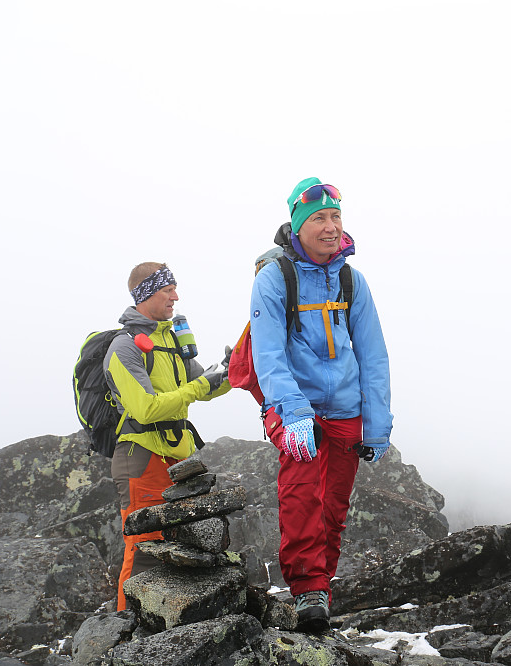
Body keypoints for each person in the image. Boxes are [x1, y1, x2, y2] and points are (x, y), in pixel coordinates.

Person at [249, 178, 393, 633]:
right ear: (298, 225)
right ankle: (307, 587)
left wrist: (378, 422)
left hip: (347, 408)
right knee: (301, 496)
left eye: (335, 217)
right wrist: (292, 411)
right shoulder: (275, 279)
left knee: (333, 506)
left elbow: (373, 354)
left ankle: (320, 585)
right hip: (296, 407)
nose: (330, 227)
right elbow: (267, 354)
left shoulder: (352, 279)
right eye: (318, 219)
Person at [104, 262, 231, 610]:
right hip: (141, 458)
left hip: (175, 460)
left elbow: (201, 387)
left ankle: (160, 635)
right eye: (167, 290)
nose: (175, 296)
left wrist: (235, 371)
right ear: (146, 294)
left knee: (176, 548)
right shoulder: (124, 347)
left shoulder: (169, 340)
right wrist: (198, 386)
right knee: (143, 550)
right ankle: (123, 635)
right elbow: (145, 409)